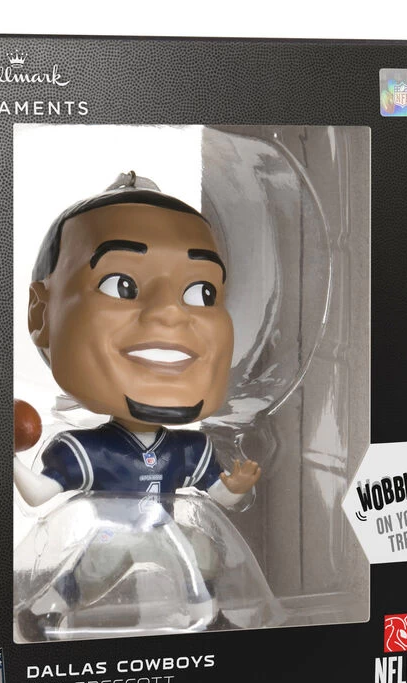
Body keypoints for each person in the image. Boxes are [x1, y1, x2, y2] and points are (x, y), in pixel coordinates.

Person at [14, 172, 262, 640]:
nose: (170, 312)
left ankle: (211, 616)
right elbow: (41, 494)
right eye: (121, 284)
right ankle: (43, 613)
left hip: (162, 528)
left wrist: (236, 486)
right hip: (109, 534)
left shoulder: (186, 450)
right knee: (88, 573)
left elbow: (220, 494)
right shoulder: (91, 449)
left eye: (203, 293)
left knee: (198, 553)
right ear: (42, 313)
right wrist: (9, 458)